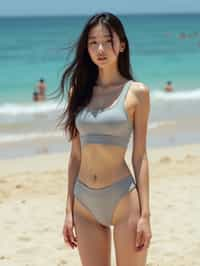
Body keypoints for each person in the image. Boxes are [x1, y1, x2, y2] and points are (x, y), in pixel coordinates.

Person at [57, 12, 152, 266]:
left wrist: (146, 215)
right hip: (84, 203)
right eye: (92, 42)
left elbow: (140, 156)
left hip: (123, 199)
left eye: (108, 41)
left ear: (122, 45)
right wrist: (68, 210)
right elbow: (75, 156)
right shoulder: (79, 91)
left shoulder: (137, 93)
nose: (100, 48)